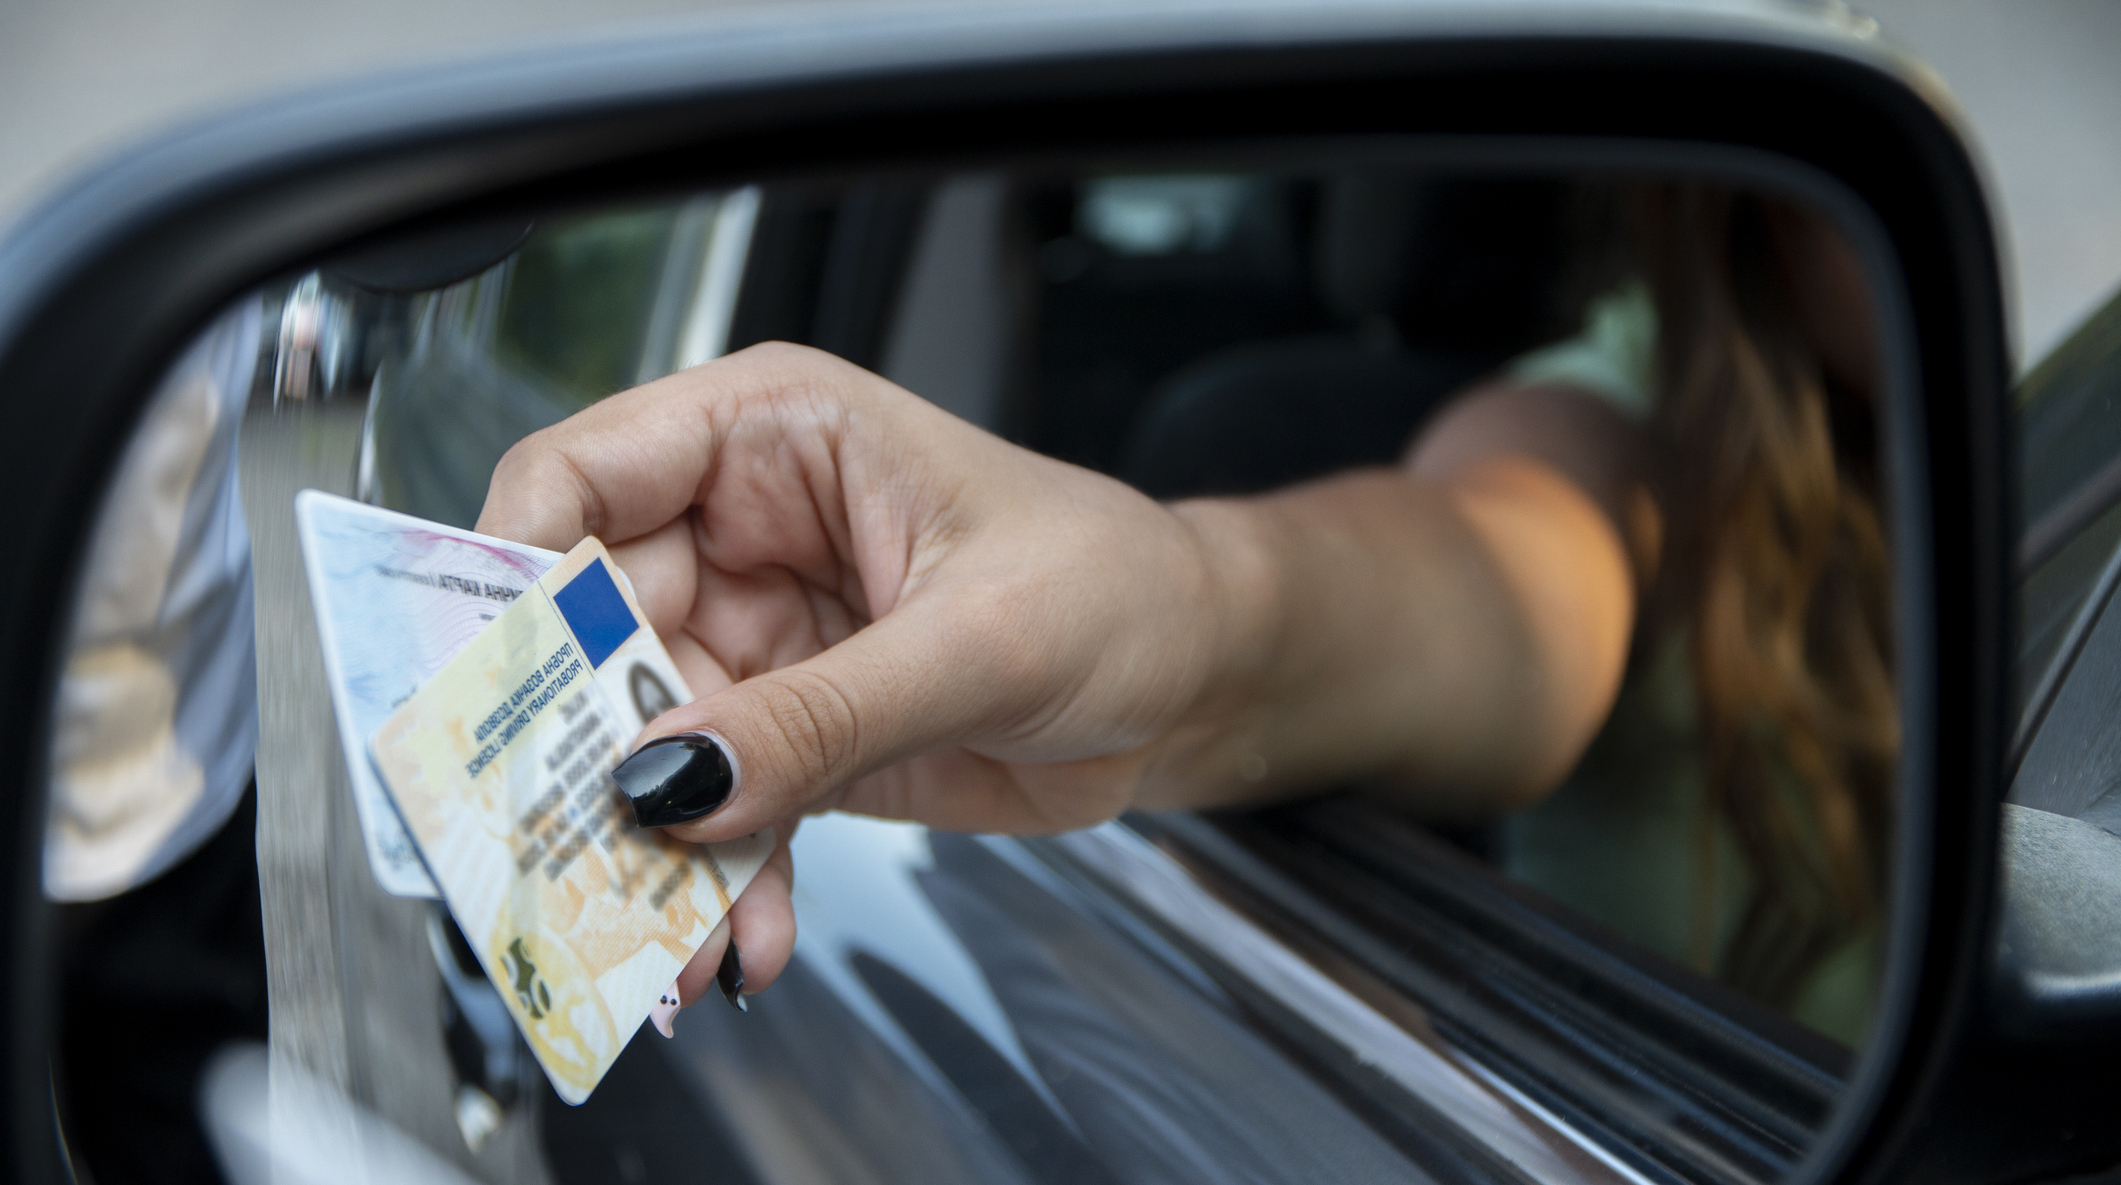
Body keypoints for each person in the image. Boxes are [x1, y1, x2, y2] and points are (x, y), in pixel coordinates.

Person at [478, 187, 1892, 1045]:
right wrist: (1188, 594)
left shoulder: (2041, 440)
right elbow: (1466, 581)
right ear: (1753, 214)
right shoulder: (1608, 435)